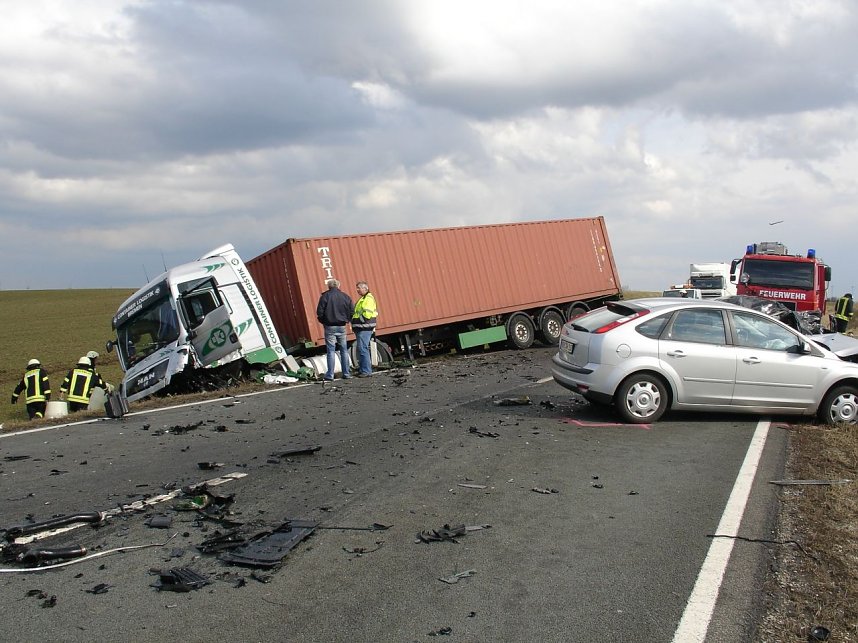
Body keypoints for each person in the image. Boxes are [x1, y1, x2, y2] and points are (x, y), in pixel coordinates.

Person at [316, 279, 354, 381]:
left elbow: (319, 312)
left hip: (329, 327)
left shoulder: (325, 297)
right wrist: (347, 320)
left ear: (329, 286)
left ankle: (330, 374)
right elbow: (352, 311)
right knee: (344, 350)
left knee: (331, 351)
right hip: (342, 326)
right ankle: (346, 373)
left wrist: (324, 322)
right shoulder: (345, 297)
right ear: (338, 285)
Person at [351, 281, 378, 377]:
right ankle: (363, 370)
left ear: (365, 288)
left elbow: (367, 314)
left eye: (359, 288)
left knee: (363, 349)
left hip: (364, 327)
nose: (357, 290)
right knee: (361, 349)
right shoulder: (363, 298)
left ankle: (366, 371)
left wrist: (358, 320)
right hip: (361, 327)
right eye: (357, 288)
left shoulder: (368, 299)